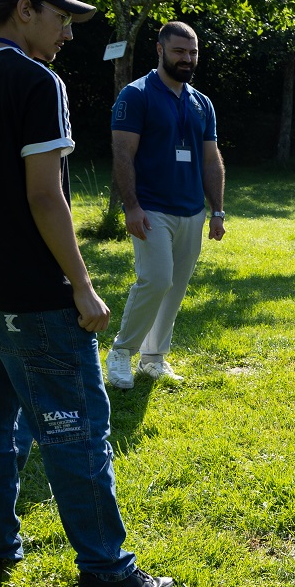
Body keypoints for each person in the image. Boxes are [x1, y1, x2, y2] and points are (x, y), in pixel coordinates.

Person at [0, 0, 173, 587]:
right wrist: (82, 285)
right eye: (60, 17)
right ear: (24, 11)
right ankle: (105, 572)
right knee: (77, 427)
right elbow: (46, 197)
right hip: (34, 291)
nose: (67, 33)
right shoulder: (37, 80)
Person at [104, 21, 226, 389]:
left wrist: (217, 210)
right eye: (179, 51)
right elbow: (123, 154)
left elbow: (210, 159)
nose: (187, 59)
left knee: (175, 286)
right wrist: (131, 207)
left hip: (192, 210)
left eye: (193, 53)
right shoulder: (136, 94)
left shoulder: (201, 102)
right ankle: (121, 352)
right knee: (155, 279)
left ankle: (154, 359)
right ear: (159, 50)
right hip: (151, 207)